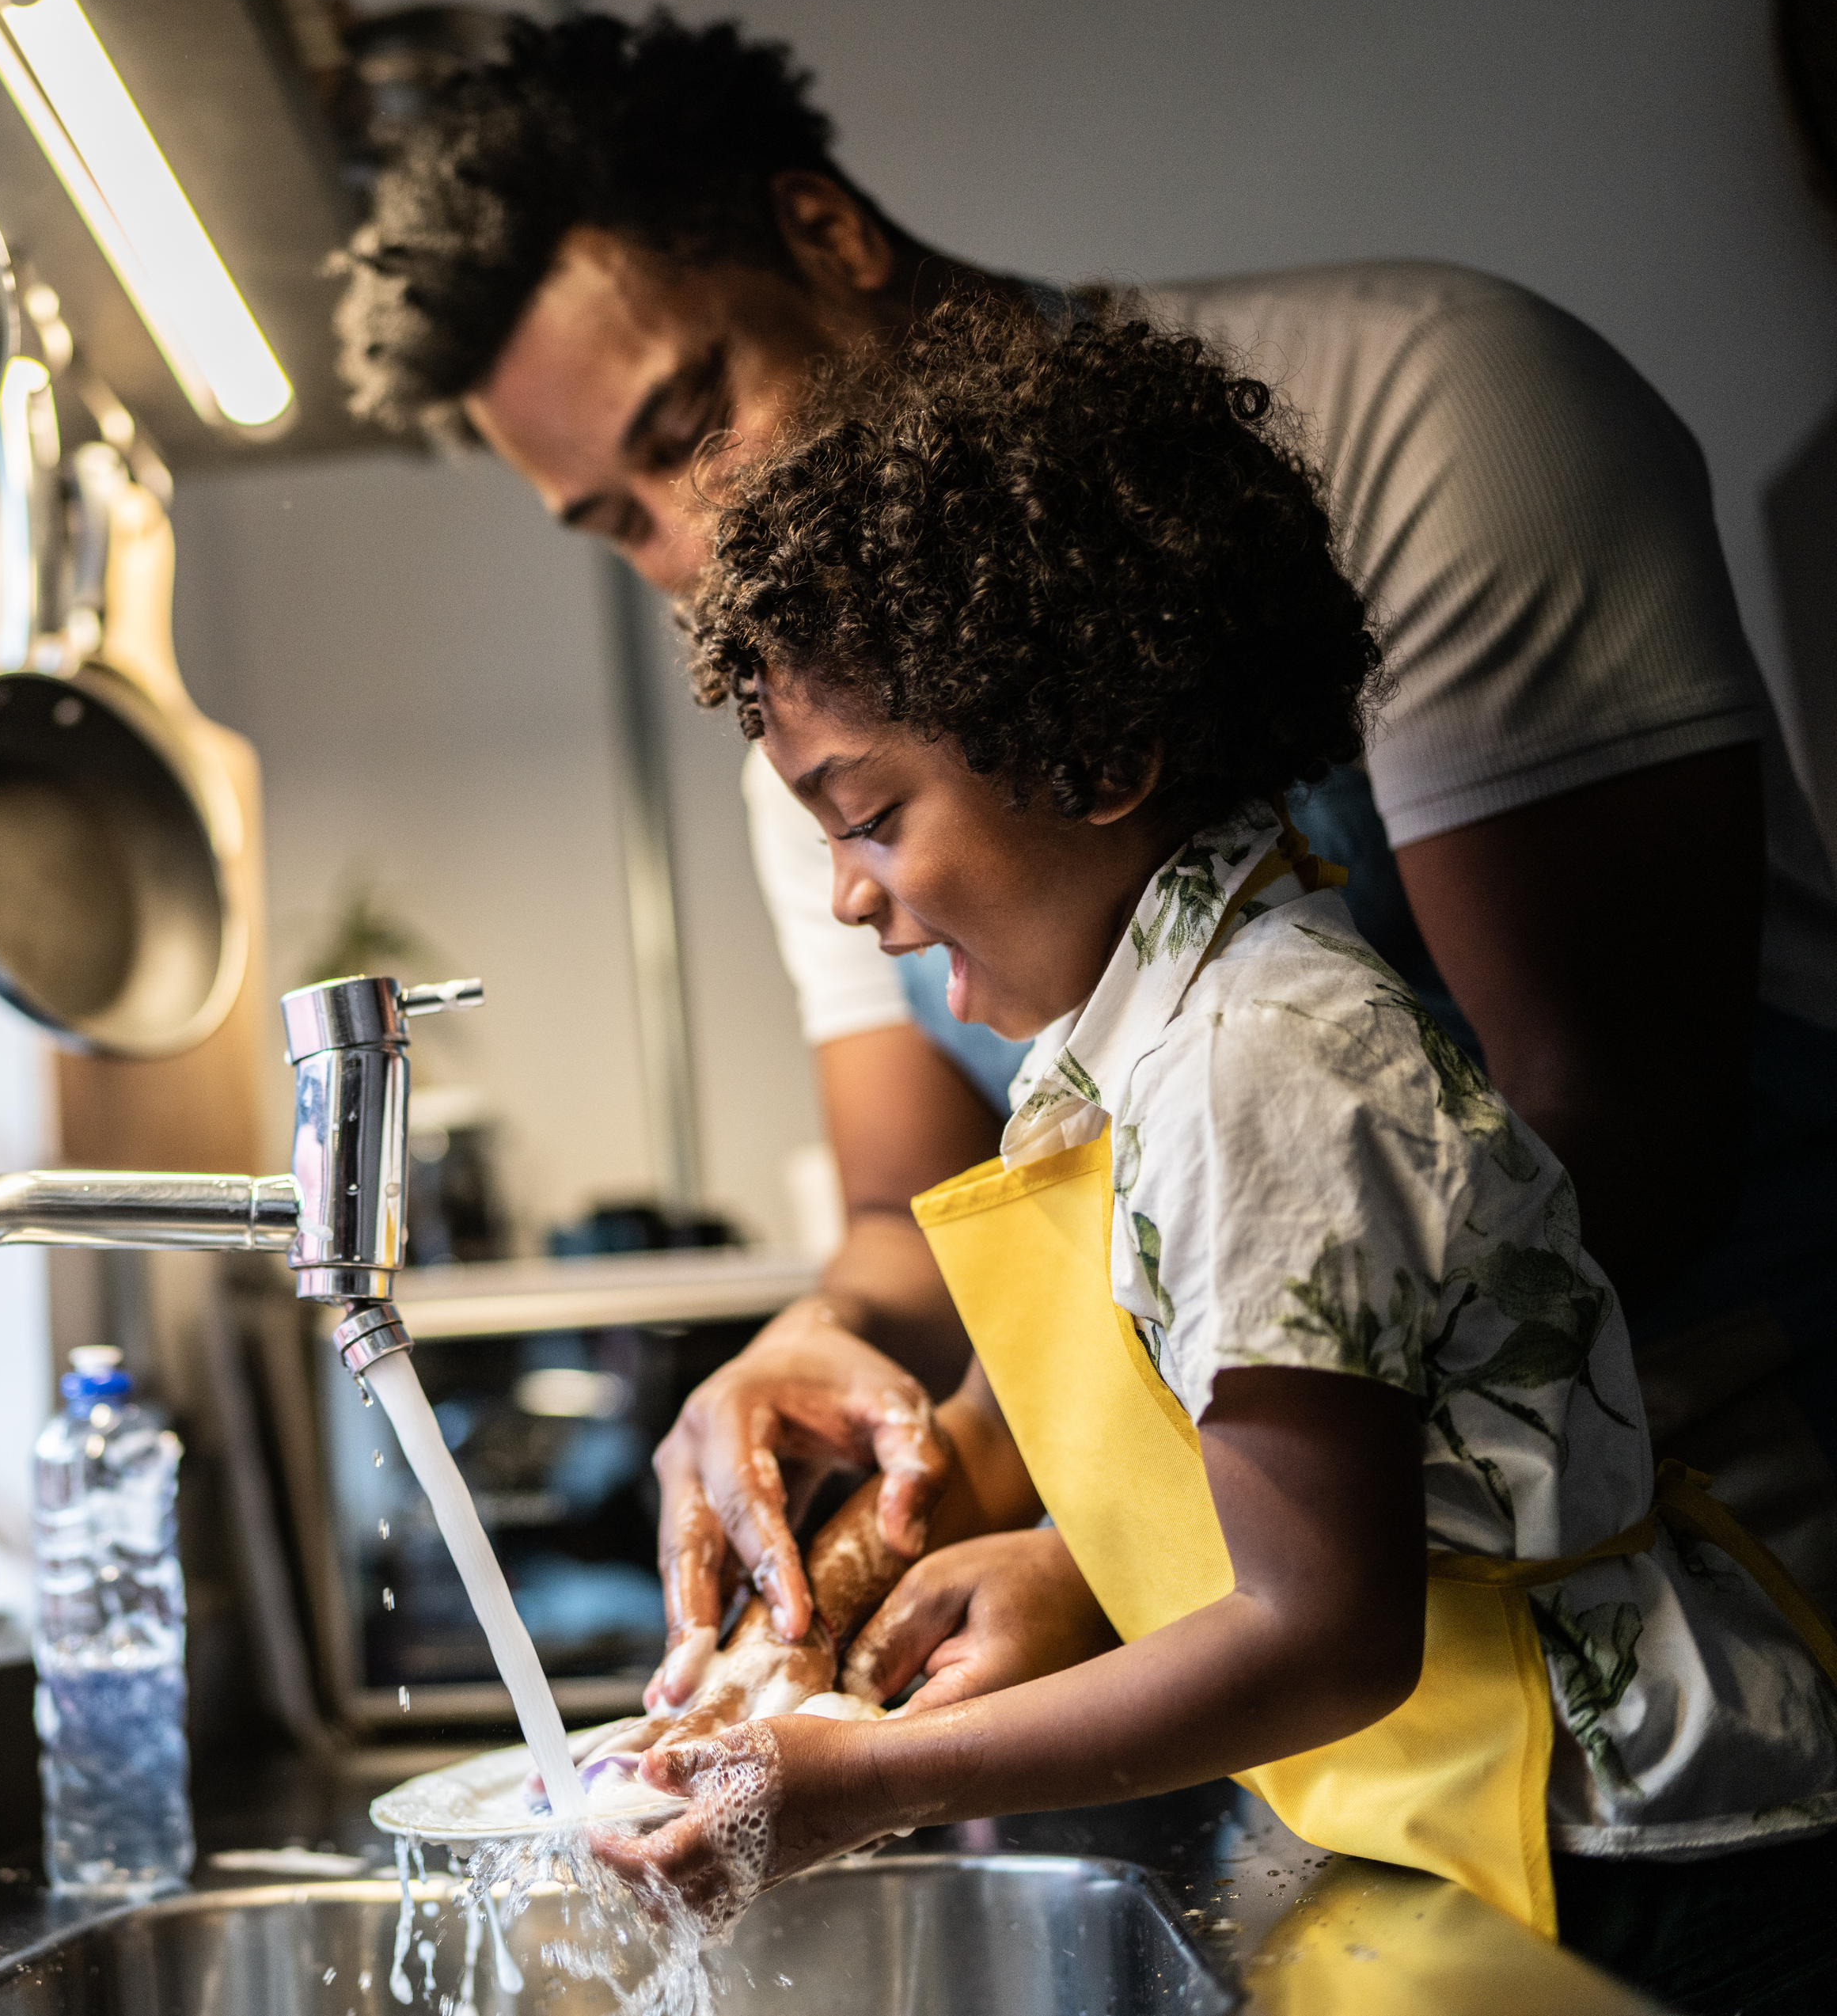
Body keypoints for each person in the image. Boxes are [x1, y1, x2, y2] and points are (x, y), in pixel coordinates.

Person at [331, 9, 1837, 1712]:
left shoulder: (1426, 409)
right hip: (1346, 1682)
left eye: (691, 425)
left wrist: (1124, 1555)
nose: (688, 548)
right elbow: (912, 1217)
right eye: (614, 524)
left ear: (824, 233)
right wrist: (821, 1361)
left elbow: (1595, 1139)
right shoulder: (823, 732)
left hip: (1721, 1597)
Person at [589, 300, 1837, 2014]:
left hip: (1673, 1856)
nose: (850, 896)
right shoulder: (1157, 1037)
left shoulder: (1263, 1066)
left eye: (871, 815)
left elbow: (1318, 1628)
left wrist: (863, 1781)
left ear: (1098, 761)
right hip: (1505, 1814)